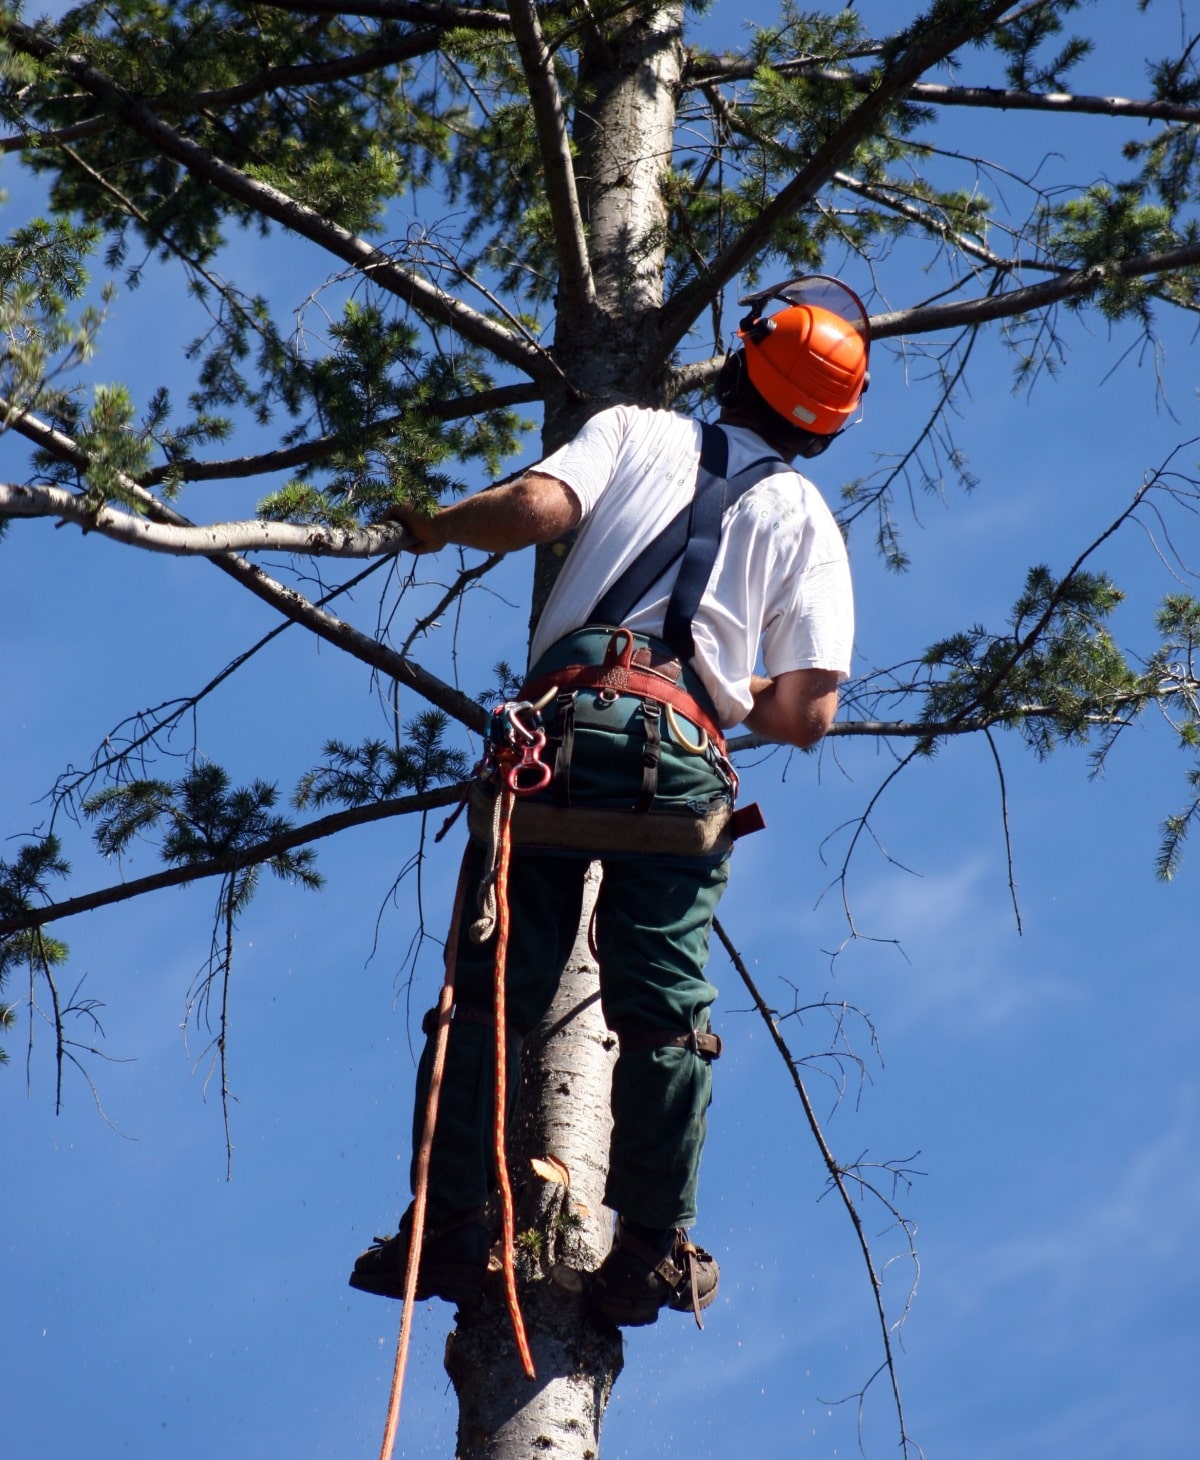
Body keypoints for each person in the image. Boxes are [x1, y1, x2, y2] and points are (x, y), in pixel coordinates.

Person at [349, 275, 868, 1327]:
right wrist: (716, 688)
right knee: (665, 1016)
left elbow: (537, 509)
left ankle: (448, 1224)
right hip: (680, 760)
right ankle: (648, 1248)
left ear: (740, 361)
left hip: (554, 735)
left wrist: (433, 526)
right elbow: (809, 711)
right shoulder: (805, 515)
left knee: (489, 993)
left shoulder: (636, 429)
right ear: (825, 426)